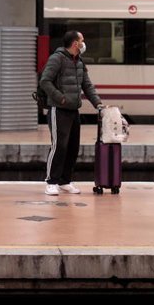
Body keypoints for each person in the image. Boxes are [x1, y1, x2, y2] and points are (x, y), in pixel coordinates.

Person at [39, 30, 104, 196]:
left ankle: (65, 181)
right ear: (75, 43)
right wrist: (60, 98)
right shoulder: (57, 58)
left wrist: (98, 104)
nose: (84, 43)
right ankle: (51, 182)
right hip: (58, 110)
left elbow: (87, 85)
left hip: (73, 110)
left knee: (73, 147)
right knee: (59, 146)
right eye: (82, 40)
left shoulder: (79, 61)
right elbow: (45, 81)